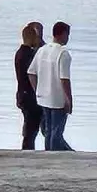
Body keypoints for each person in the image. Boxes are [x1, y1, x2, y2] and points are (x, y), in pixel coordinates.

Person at [28, 22, 74, 151]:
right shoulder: (63, 53)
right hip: (57, 99)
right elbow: (64, 79)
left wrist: (37, 89)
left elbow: (31, 72)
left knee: (48, 131)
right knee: (56, 132)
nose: (68, 38)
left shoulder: (42, 50)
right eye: (67, 34)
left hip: (43, 97)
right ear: (63, 34)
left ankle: (48, 154)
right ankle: (54, 156)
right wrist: (69, 99)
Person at [15, 22, 45, 150]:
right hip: (29, 96)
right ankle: (27, 150)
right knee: (31, 128)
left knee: (31, 126)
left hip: (24, 95)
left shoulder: (21, 53)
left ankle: (28, 148)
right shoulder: (27, 55)